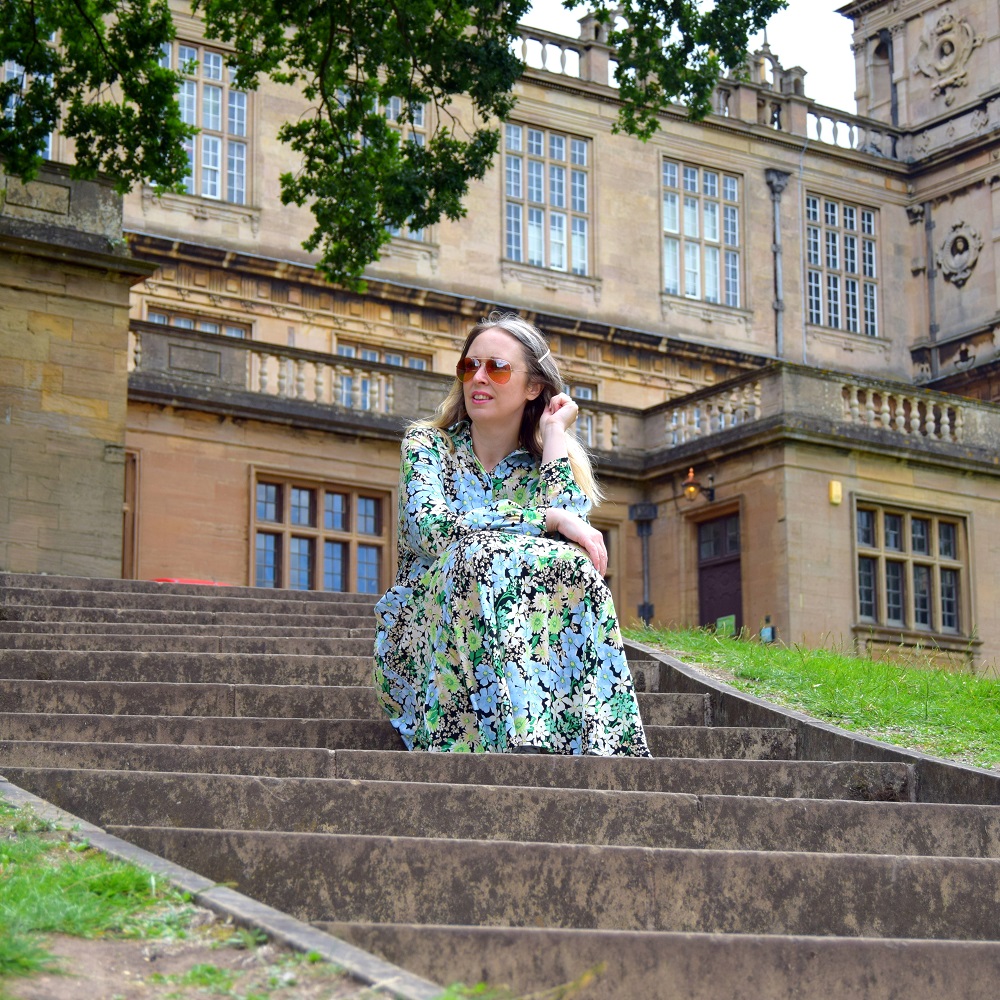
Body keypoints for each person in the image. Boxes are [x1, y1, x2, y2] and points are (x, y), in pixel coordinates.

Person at [373, 311, 650, 756]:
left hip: (525, 641)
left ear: (533, 386)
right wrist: (546, 519)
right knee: (475, 554)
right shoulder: (428, 445)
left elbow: (574, 540)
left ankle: (590, 750)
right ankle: (495, 743)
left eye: (497, 367)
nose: (478, 377)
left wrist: (554, 434)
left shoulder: (541, 461)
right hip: (427, 631)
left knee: (571, 563)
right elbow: (432, 529)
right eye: (469, 366)